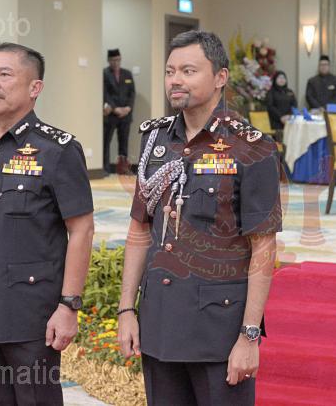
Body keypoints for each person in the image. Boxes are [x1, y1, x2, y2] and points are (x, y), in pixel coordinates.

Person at [117, 30, 282, 405]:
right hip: (159, 324)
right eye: (170, 71)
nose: (175, 80)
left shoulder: (252, 146)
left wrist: (249, 336)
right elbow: (140, 230)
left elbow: (263, 245)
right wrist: (127, 309)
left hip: (217, 331)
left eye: (188, 71)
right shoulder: (155, 140)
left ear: (220, 77)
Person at [0, 42, 94, 405]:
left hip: (31, 314)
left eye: (4, 75)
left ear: (34, 87)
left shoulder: (57, 150)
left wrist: (69, 305)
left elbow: (81, 229)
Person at [103, 48, 135, 174]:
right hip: (111, 114)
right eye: (113, 60)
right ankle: (105, 168)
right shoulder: (104, 74)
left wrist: (128, 108)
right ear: (108, 60)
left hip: (125, 115)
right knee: (106, 142)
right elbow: (104, 93)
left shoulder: (127, 74)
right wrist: (115, 108)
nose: (116, 62)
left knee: (124, 142)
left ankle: (123, 168)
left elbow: (132, 93)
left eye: (117, 60)